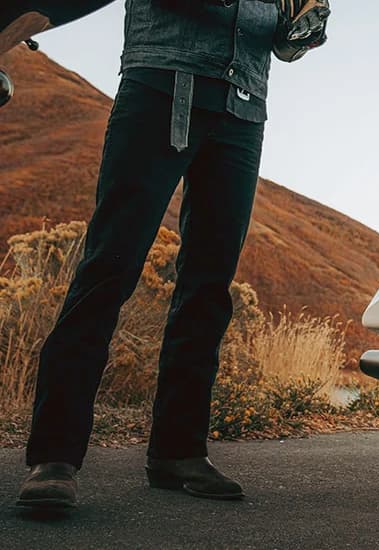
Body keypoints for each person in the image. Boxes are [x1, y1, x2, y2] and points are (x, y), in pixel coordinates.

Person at [14, 0, 328, 511]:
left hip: (243, 106)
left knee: (209, 285)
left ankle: (178, 453)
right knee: (108, 269)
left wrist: (303, 26)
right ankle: (53, 458)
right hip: (160, 85)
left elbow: (284, 41)